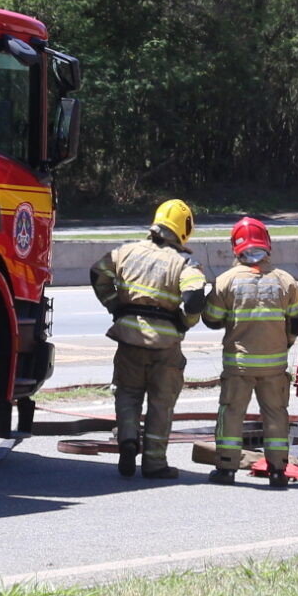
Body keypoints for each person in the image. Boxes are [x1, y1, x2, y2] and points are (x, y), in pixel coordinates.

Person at [89, 199, 209, 479]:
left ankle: (128, 440)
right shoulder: (184, 263)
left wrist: (114, 305)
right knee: (160, 403)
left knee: (127, 394)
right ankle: (154, 464)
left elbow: (97, 272)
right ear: (184, 229)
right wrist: (185, 322)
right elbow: (194, 299)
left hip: (129, 339)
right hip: (165, 347)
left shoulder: (125, 251)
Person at [203, 217, 298, 488]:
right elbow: (296, 322)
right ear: (267, 243)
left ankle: (226, 469)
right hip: (274, 366)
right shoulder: (286, 281)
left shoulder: (226, 281)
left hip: (239, 365)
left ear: (235, 246)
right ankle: (278, 472)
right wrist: (284, 344)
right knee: (275, 414)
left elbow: (212, 319)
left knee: (231, 413)